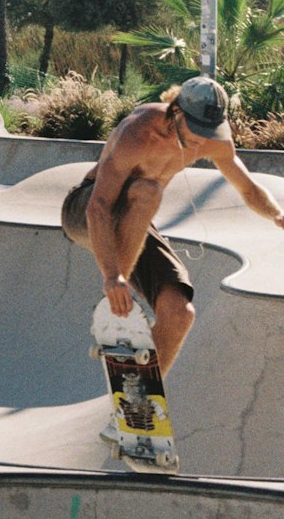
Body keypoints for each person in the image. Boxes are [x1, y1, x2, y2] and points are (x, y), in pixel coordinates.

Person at [61, 76, 284, 375]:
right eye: (196, 130)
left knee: (179, 313)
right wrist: (113, 276)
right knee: (148, 191)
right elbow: (98, 207)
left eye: (210, 131)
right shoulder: (138, 133)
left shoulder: (214, 141)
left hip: (133, 224)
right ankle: (114, 307)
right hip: (84, 211)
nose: (201, 140)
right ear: (176, 111)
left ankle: (141, 400)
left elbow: (247, 188)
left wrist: (276, 215)